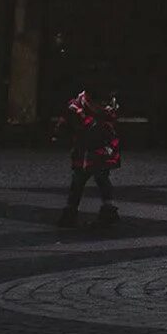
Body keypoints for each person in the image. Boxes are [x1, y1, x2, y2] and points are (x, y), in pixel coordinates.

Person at [55, 83, 122, 228]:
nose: (101, 106)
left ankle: (106, 209)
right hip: (85, 151)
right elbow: (65, 125)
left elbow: (108, 131)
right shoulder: (77, 109)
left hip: (100, 151)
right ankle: (72, 211)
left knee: (100, 178)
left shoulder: (104, 111)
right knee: (79, 181)